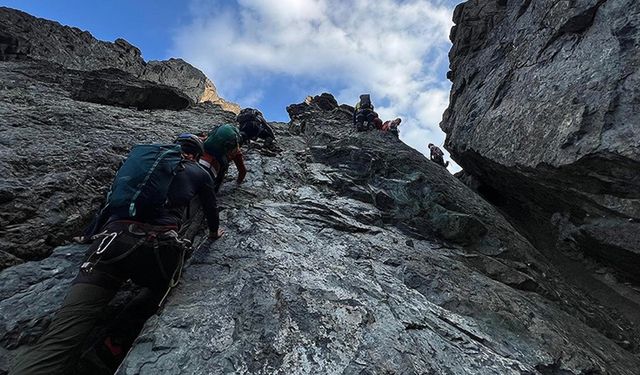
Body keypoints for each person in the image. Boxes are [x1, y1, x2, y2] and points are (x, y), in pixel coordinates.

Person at [11, 134, 223, 375]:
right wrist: (214, 233)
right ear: (196, 154)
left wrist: (90, 236)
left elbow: (109, 203)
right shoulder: (199, 173)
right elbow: (210, 209)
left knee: (60, 337)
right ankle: (114, 341)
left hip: (107, 244)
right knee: (163, 288)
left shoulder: (142, 166)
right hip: (155, 247)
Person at [201, 124, 246, 192]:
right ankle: (215, 190)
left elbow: (207, 137)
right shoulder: (236, 151)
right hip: (215, 161)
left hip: (203, 152)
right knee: (223, 170)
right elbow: (242, 170)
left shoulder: (217, 135)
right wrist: (238, 182)